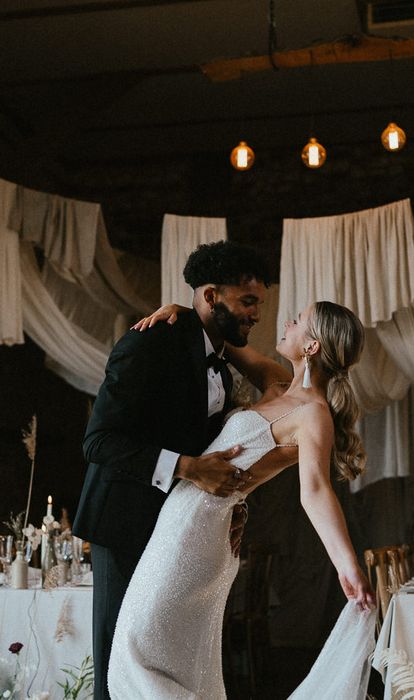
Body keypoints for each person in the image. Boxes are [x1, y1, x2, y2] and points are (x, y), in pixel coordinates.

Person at [108, 300, 376, 699]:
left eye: (299, 321)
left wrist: (348, 566)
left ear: (313, 346)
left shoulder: (313, 414)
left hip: (195, 533)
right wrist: (182, 311)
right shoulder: (277, 383)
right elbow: (225, 341)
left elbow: (316, 491)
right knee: (176, 662)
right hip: (186, 520)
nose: (287, 321)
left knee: (137, 652)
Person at [72, 240, 284, 700]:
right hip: (124, 521)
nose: (256, 315)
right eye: (247, 301)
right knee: (118, 665)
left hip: (174, 530)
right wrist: (187, 468)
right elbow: (99, 441)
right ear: (211, 296)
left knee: (161, 660)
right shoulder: (149, 343)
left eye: (259, 304)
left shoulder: (220, 360)